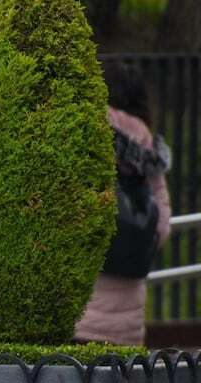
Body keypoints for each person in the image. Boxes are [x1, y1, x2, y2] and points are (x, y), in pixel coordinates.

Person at [76, 62, 172, 346]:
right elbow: (162, 226)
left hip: (79, 312)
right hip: (128, 323)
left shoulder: (82, 129)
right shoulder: (148, 150)